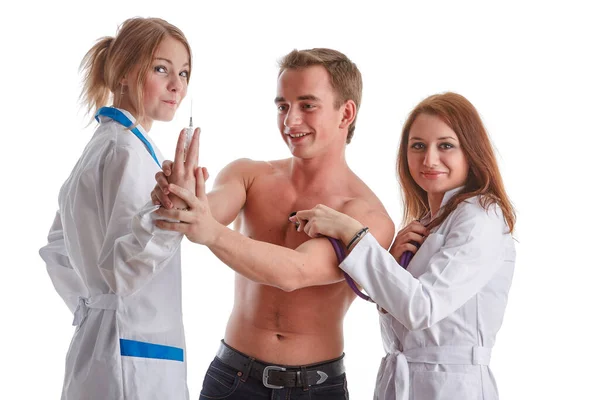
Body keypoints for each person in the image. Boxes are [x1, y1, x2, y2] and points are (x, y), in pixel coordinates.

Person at [150, 48, 395, 399]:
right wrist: (183, 196)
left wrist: (208, 229)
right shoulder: (249, 174)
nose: (290, 121)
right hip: (231, 378)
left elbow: (295, 272)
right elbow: (207, 211)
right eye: (283, 106)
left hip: (317, 389)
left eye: (307, 105)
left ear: (346, 113)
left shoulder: (368, 216)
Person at [291, 92, 517, 400]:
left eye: (446, 145)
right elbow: (406, 316)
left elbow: (421, 310)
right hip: (403, 382)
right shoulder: (428, 221)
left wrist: (353, 233)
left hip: (453, 387)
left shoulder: (480, 217)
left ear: (471, 151)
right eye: (418, 146)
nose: (429, 159)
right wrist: (393, 266)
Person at [38, 17, 199, 400]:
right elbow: (121, 265)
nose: (177, 84)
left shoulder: (105, 144)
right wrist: (166, 216)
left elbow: (57, 246)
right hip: (131, 357)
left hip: (103, 343)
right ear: (125, 72)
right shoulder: (126, 150)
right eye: (162, 69)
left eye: (185, 72)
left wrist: (90, 309)